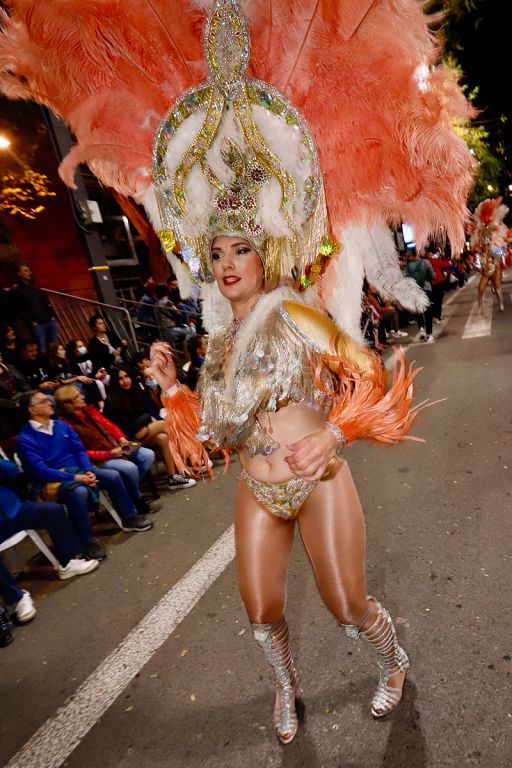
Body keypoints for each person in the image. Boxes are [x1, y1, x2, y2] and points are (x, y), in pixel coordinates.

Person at [4, 0, 474, 747]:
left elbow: (373, 379)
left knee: (348, 605)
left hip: (318, 479)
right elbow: (216, 426)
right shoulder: (217, 342)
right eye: (215, 254)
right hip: (260, 485)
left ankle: (391, 660)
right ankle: (286, 692)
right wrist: (171, 389)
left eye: (239, 252)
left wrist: (334, 438)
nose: (225, 266)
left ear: (266, 254)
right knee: (260, 612)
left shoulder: (296, 313)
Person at [16, 392, 153, 561]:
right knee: (79, 492)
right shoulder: (25, 439)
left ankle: (128, 517)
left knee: (112, 476)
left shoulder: (60, 425)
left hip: (79, 470)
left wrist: (87, 470)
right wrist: (75, 478)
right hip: (54, 480)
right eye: (43, 401)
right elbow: (40, 470)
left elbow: (79, 450)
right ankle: (86, 541)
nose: (49, 403)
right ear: (33, 410)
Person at [0, 458, 99, 623]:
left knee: (53, 511)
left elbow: (12, 471)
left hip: (14, 509)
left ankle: (69, 562)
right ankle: (16, 599)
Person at [54, 385, 155, 516]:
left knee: (147, 455)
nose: (83, 397)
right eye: (78, 396)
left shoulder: (89, 411)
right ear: (68, 403)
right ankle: (136, 497)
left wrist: (121, 438)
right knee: (129, 468)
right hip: (97, 459)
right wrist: (109, 454)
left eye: (81, 394)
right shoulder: (66, 425)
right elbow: (80, 452)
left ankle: (129, 491)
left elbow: (110, 426)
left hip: (114, 447)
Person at [105, 366, 196, 489]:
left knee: (163, 438)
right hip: (126, 442)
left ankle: (173, 477)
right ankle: (191, 459)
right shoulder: (112, 400)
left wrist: (146, 419)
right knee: (166, 425)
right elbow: (127, 427)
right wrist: (146, 418)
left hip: (141, 432)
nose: (125, 380)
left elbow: (142, 415)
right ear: (115, 382)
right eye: (120, 378)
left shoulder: (135, 392)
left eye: (126, 377)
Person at [470, 197, 508, 313]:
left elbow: (502, 253)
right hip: (486, 272)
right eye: (483, 243)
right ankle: (481, 308)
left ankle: (501, 304)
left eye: (486, 243)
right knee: (480, 289)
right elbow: (476, 263)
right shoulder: (480, 251)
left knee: (497, 289)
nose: (484, 245)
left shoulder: (494, 248)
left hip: (495, 270)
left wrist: (503, 263)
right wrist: (478, 264)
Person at [13, 264, 58, 353]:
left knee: (54, 345)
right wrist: (31, 322)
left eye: (29, 271)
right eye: (26, 271)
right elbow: (20, 310)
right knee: (42, 347)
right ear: (19, 273)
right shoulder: (18, 290)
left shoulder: (35, 287)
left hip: (49, 320)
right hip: (37, 324)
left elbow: (46, 301)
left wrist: (52, 315)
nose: (29, 273)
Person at [403, 248, 436, 343]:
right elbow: (433, 276)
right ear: (417, 253)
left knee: (418, 310)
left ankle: (421, 328)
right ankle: (429, 334)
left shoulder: (408, 266)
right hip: (426, 289)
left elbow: (405, 279)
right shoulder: (426, 262)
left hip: (414, 290)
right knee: (428, 312)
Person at [0, 351, 32, 441]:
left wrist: (31, 395)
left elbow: (24, 384)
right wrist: (13, 404)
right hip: (6, 406)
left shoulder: (9, 367)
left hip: (20, 398)